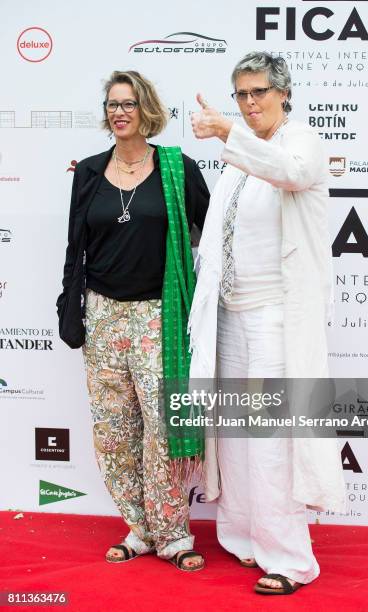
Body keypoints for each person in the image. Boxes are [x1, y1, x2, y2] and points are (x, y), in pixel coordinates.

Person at [189, 52, 345, 594]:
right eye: (241, 95)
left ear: (283, 93)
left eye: (258, 93)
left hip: (276, 316)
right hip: (230, 314)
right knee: (233, 433)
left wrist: (230, 131)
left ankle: (290, 559)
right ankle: (244, 537)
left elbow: (292, 174)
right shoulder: (238, 157)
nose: (250, 103)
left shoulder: (300, 140)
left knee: (271, 438)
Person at [57, 70, 209, 571]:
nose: (118, 112)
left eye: (128, 103)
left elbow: (204, 233)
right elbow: (77, 243)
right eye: (111, 104)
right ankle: (138, 528)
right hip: (102, 313)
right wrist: (69, 303)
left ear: (147, 110)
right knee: (115, 428)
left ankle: (172, 534)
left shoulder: (176, 168)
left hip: (156, 316)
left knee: (161, 427)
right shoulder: (90, 172)